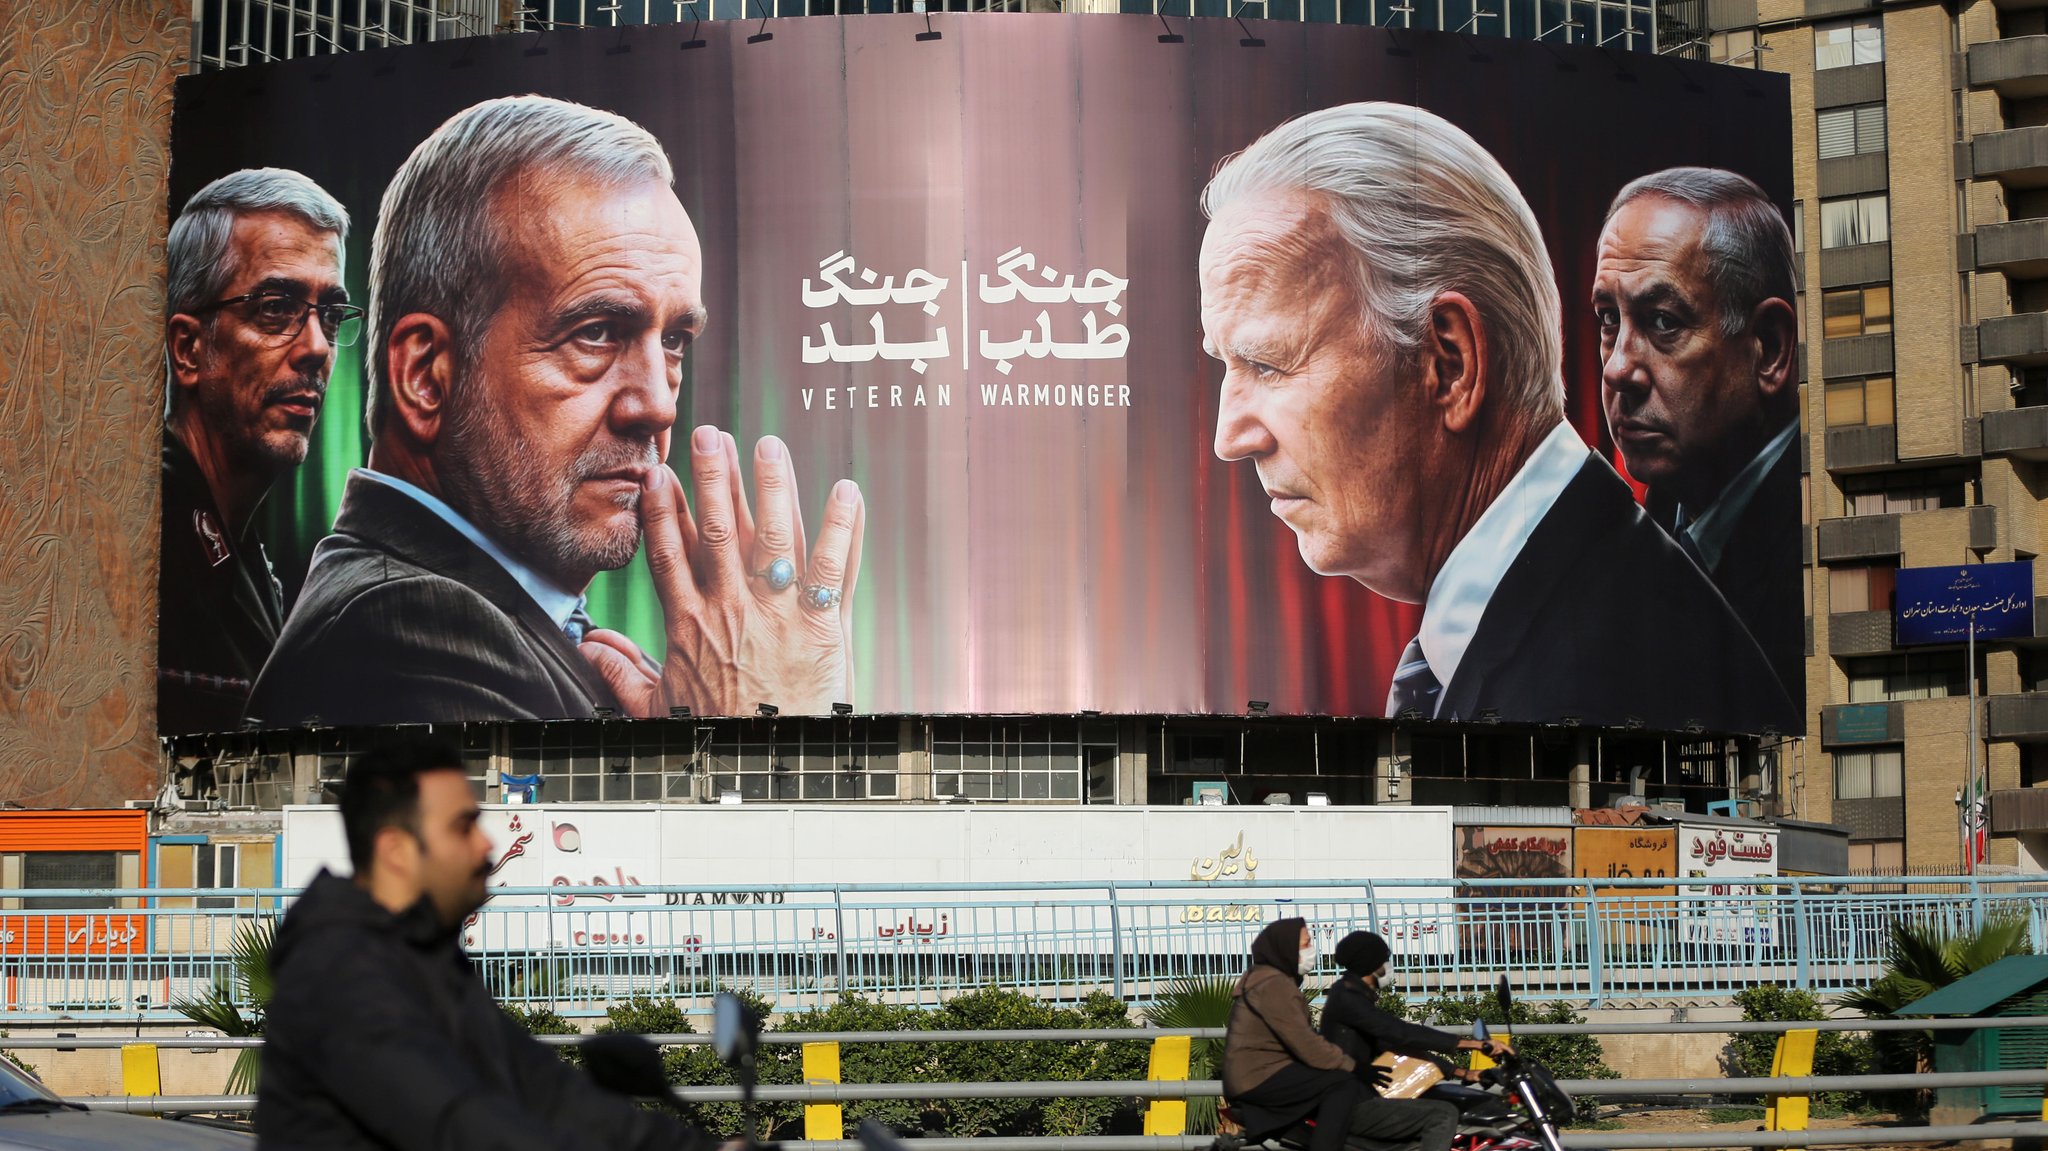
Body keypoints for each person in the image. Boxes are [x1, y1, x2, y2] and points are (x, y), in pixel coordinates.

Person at [248, 96, 864, 726]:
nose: (656, 405)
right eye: (595, 333)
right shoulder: (403, 633)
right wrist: (766, 729)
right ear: (426, 375)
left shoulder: (505, 620)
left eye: (674, 340)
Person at [1199, 102, 1795, 733]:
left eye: (1266, 364)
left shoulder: (1606, 681)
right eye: (1225, 366)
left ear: (1449, 363)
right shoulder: (1579, 607)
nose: (1229, 438)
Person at [258, 741, 718, 1150]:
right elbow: (460, 1121)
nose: (487, 845)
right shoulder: (334, 975)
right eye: (464, 827)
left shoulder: (428, 957)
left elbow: (548, 1090)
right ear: (396, 850)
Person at [159, 168, 355, 735]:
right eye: (276, 307)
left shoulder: (237, 551)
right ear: (189, 349)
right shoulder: (128, 542)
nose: (317, 347)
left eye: (332, 314)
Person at [1595, 167, 1803, 701]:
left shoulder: (1802, 556)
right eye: (1608, 320)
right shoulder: (1644, 524)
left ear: (1769, 349)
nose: (1619, 369)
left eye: (1663, 321)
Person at [1223, 918, 1389, 1151]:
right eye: (1305, 943)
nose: (1311, 949)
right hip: (1259, 1076)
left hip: (1257, 1073)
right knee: (1343, 1084)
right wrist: (1352, 1066)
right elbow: (1306, 1043)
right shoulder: (1275, 985)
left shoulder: (1267, 978)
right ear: (1285, 947)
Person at [1321, 931, 1502, 1107]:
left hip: (1356, 1092)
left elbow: (1395, 1046)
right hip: (1347, 1098)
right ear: (1373, 965)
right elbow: (1401, 1032)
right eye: (1384, 961)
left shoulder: (1352, 994)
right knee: (1442, 1114)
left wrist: (1462, 1072)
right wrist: (1476, 1045)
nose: (1387, 967)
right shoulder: (1348, 998)